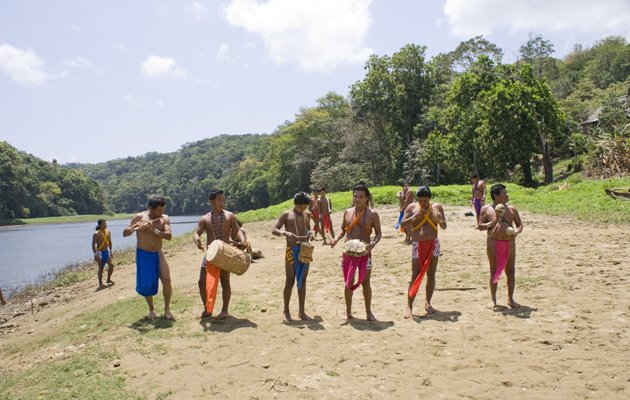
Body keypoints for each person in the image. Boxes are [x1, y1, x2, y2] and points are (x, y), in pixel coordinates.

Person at [331, 184, 382, 321]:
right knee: (349, 281)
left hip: (365, 252)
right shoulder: (347, 212)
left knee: (366, 282)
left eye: (361, 197)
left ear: (367, 198)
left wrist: (373, 244)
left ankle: (368, 312)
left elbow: (378, 234)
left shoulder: (373, 214)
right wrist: (336, 239)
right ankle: (348, 312)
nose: (357, 199)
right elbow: (343, 229)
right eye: (355, 196)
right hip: (348, 252)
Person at [193, 189, 247, 319]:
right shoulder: (204, 219)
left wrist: (243, 240)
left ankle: (224, 310)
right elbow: (196, 233)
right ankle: (207, 309)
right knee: (202, 282)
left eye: (223, 199)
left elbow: (237, 230)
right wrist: (197, 240)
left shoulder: (230, 216)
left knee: (225, 282)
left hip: (225, 253)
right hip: (211, 254)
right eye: (219, 200)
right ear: (211, 202)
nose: (222, 202)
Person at [123, 197, 174, 320]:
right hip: (144, 254)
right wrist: (135, 227)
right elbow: (125, 233)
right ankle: (151, 310)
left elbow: (169, 236)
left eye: (163, 209)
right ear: (151, 209)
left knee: (167, 279)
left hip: (158, 253)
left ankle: (167, 309)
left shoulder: (164, 219)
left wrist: (154, 230)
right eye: (159, 210)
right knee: (146, 285)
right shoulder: (139, 217)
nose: (161, 213)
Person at [401, 186, 447, 317]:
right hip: (417, 244)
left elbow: (444, 226)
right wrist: (415, 216)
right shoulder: (412, 208)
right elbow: (402, 225)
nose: (423, 203)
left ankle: (428, 302)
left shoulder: (437, 207)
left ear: (430, 199)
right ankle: (409, 306)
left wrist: (439, 219)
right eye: (420, 200)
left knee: (431, 274)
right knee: (414, 275)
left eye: (425, 200)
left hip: (434, 243)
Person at [476, 183, 523, 309]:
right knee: (494, 270)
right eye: (504, 193)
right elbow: (480, 226)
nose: (507, 195)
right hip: (493, 241)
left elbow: (519, 225)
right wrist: (492, 222)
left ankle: (510, 299)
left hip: (509, 242)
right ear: (496, 196)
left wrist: (516, 233)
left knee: (511, 271)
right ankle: (493, 300)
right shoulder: (486, 209)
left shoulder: (512, 209)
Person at [272, 192, 314, 322]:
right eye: (300, 207)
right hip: (291, 250)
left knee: (302, 281)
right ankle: (286, 311)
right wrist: (285, 233)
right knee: (290, 280)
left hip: (305, 250)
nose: (302, 210)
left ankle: (301, 311)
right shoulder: (287, 215)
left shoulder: (307, 215)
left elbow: (308, 229)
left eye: (305, 207)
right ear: (295, 204)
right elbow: (274, 229)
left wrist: (310, 234)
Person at [92, 219, 115, 289]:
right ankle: (100, 283)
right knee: (101, 268)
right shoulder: (96, 234)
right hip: (99, 253)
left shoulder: (108, 232)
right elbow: (93, 245)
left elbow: (110, 242)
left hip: (106, 252)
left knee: (111, 265)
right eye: (103, 224)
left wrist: (111, 251)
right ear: (99, 225)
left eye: (106, 223)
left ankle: (108, 279)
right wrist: (96, 254)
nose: (105, 225)